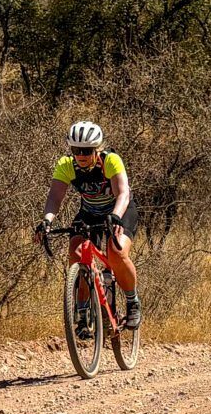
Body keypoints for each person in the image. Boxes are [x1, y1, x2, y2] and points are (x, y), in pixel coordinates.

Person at [35, 119, 140, 331]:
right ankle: (81, 310)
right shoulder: (66, 165)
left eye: (87, 151)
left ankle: (132, 302)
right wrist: (47, 220)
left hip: (119, 210)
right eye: (76, 150)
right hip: (90, 212)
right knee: (75, 250)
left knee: (115, 251)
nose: (81, 156)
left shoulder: (111, 160)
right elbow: (55, 197)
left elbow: (123, 193)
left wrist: (115, 216)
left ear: (97, 149)